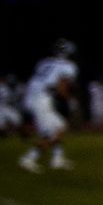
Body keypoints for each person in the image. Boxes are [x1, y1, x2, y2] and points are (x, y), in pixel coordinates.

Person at [18, 39, 80, 173]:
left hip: (32, 96)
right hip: (42, 99)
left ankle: (57, 158)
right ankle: (29, 158)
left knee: (60, 126)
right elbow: (61, 86)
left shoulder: (44, 62)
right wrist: (70, 101)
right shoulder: (67, 66)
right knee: (49, 132)